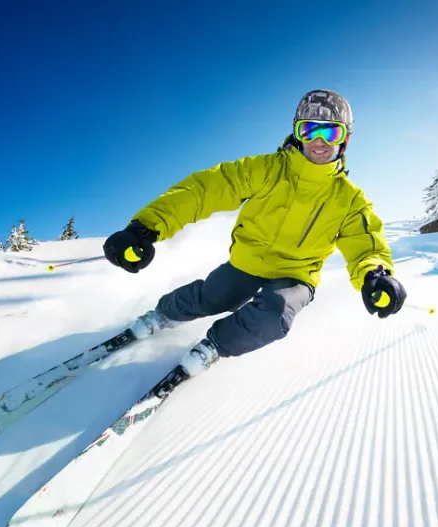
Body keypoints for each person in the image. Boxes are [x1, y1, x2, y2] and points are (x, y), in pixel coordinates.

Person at [102, 89, 407, 377]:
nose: (318, 141)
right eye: (308, 130)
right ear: (297, 133)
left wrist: (375, 275)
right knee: (212, 297)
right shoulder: (266, 170)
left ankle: (214, 346)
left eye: (330, 133)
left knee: (275, 315)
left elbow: (365, 244)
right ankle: (161, 316)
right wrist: (145, 227)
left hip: (297, 274)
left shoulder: (350, 200)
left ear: (345, 140)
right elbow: (204, 191)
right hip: (248, 261)